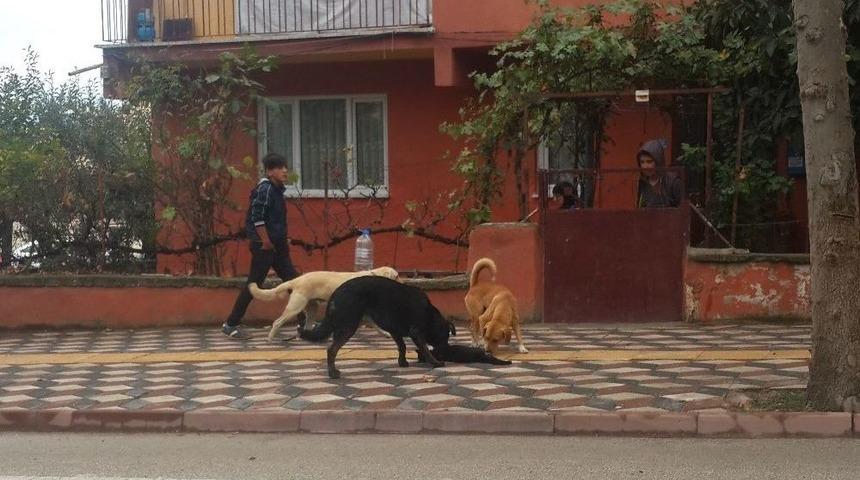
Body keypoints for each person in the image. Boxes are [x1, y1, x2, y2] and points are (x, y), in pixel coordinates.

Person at [223, 152, 300, 339]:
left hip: (277, 246)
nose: (284, 171)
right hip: (264, 246)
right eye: (279, 168)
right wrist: (265, 240)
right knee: (254, 284)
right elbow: (257, 218)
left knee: (295, 283)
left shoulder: (277, 190)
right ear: (269, 171)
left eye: (285, 167)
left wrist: (281, 239)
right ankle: (231, 323)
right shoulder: (265, 189)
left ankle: (305, 322)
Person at [636, 139, 683, 208]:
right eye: (642, 162)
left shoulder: (673, 182)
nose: (645, 166)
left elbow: (682, 212)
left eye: (649, 162)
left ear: (658, 161)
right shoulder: (643, 181)